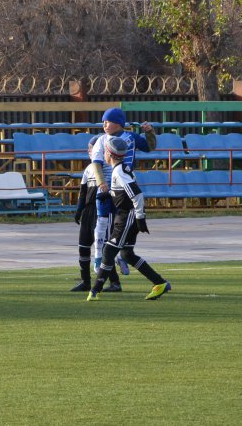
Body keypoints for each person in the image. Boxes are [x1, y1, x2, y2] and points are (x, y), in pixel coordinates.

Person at [87, 136, 172, 301]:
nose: (103, 155)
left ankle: (95, 289)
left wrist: (140, 218)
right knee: (126, 255)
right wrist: (110, 194)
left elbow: (137, 194)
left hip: (127, 215)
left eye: (105, 152)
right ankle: (159, 282)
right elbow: (125, 193)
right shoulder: (122, 168)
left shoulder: (118, 171)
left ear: (110, 155)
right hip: (125, 214)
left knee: (109, 250)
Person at [89, 108, 157, 281]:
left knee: (117, 228)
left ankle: (118, 259)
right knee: (103, 226)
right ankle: (102, 260)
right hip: (105, 190)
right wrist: (101, 183)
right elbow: (96, 164)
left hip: (122, 190)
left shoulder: (131, 138)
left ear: (118, 123)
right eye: (103, 121)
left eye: (108, 121)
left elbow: (150, 147)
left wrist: (150, 132)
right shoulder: (101, 140)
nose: (104, 125)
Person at [71, 135, 122, 292]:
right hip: (89, 210)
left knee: (104, 248)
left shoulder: (107, 167)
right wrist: (79, 211)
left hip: (103, 210)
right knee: (83, 246)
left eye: (91, 147)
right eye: (88, 148)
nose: (89, 151)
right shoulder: (88, 169)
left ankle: (115, 282)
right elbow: (83, 191)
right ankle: (86, 281)